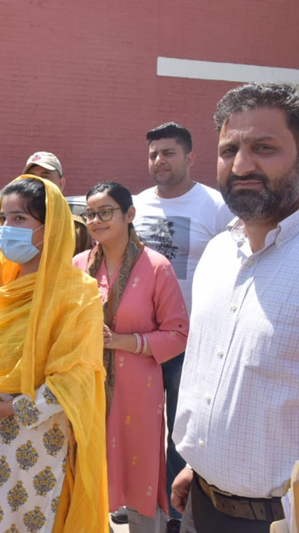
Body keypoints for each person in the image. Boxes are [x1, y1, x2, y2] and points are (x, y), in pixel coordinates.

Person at [172, 82, 299, 533]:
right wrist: (201, 464)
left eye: (264, 148)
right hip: (198, 500)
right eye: (229, 150)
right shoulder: (219, 252)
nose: (241, 165)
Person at [0, 176, 107, 532]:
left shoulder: (77, 294)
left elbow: (72, 381)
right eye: (3, 219)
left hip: (39, 442)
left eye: (20, 219)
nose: (7, 229)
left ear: (49, 227)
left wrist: (3, 410)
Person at [73, 181, 188, 532]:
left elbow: (178, 333)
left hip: (138, 390)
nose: (96, 220)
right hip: (87, 389)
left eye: (106, 212)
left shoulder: (157, 267)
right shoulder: (78, 265)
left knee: (141, 477)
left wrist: (126, 342)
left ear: (130, 214)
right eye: (90, 213)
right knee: (87, 473)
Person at [132, 123, 233, 523]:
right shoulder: (137, 204)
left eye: (169, 153)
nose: (160, 161)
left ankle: (176, 511)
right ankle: (139, 501)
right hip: (138, 340)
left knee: (182, 431)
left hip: (190, 342)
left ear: (190, 157)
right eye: (154, 153)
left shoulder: (214, 205)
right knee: (137, 424)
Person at [22, 151, 92, 255]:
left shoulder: (76, 229)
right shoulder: (16, 224)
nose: (38, 182)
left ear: (61, 184)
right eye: (32, 177)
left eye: (45, 176)